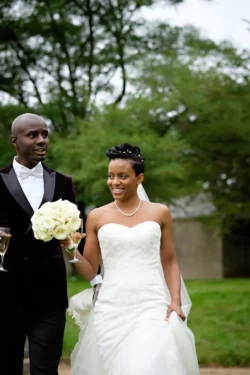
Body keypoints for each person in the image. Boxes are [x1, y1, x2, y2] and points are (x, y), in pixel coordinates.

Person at [62, 143, 200, 375]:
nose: (114, 182)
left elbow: (170, 261)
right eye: (110, 176)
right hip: (111, 307)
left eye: (122, 176)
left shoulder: (160, 212)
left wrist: (175, 302)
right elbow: (89, 272)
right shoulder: (96, 216)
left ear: (140, 178)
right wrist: (71, 250)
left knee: (147, 365)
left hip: (152, 304)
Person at [0, 113, 99, 375]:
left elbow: (75, 232)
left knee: (46, 370)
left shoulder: (64, 182)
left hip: (49, 294)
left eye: (44, 134)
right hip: (5, 293)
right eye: (33, 135)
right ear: (15, 141)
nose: (42, 140)